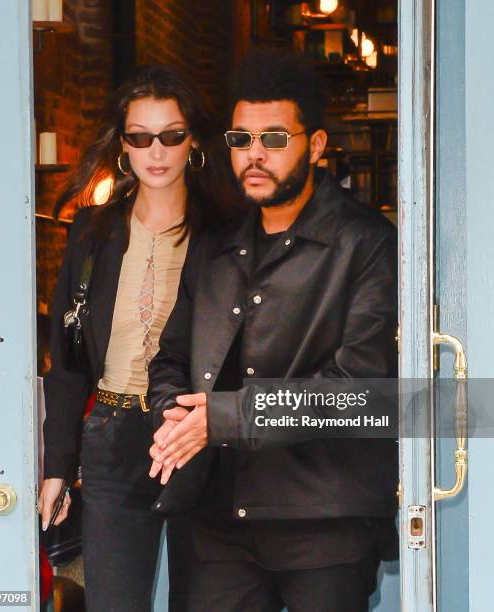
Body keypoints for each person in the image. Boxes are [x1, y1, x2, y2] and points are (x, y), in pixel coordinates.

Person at [147, 50, 399, 612]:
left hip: (323, 525)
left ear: (314, 146)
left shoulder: (367, 244)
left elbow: (359, 391)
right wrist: (176, 418)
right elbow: (171, 358)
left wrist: (226, 417)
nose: (254, 156)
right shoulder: (214, 247)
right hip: (219, 522)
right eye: (241, 139)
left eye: (275, 139)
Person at [38, 64, 238, 612]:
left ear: (191, 140)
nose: (157, 151)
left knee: (206, 601)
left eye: (171, 135)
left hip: (193, 434)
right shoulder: (92, 233)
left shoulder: (224, 234)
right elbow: (68, 362)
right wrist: (58, 464)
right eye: (140, 137)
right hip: (113, 433)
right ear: (123, 145)